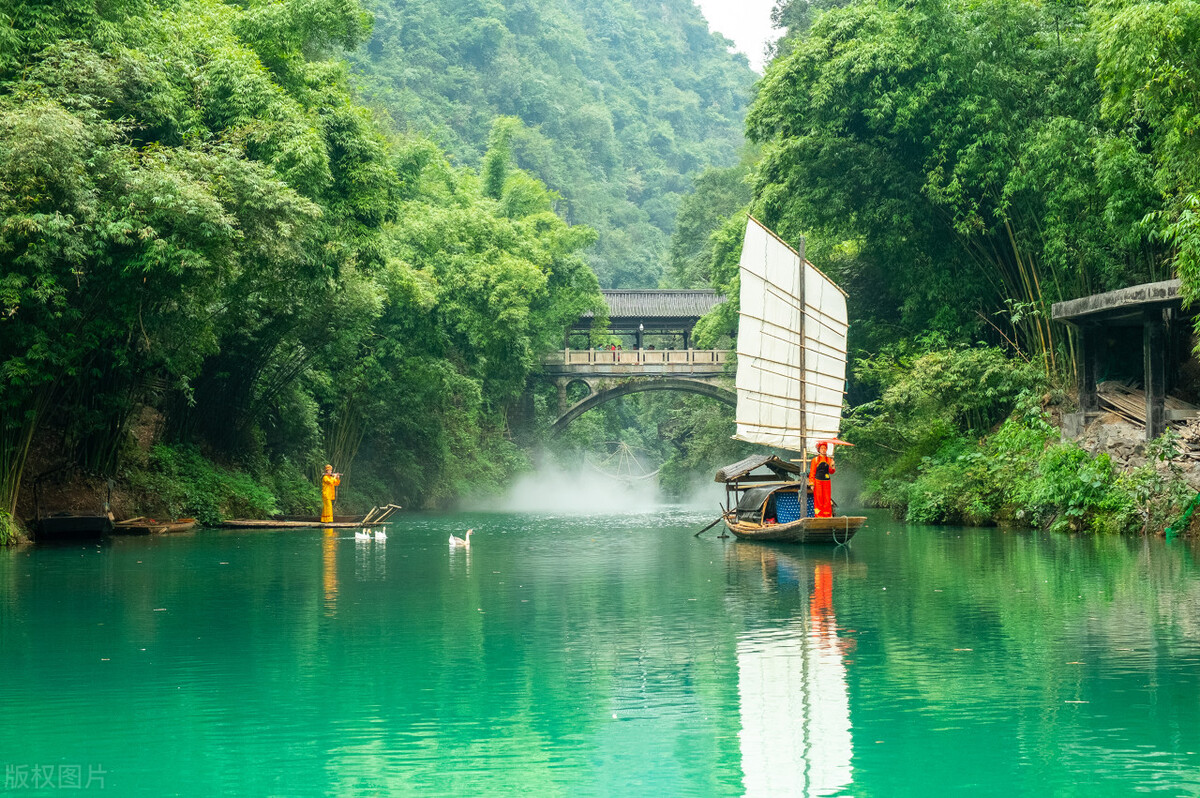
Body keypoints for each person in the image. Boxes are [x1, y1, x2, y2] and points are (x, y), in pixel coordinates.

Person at [809, 442, 835, 518]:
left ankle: (827, 515)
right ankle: (818, 515)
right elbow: (812, 472)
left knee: (827, 499)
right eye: (822, 448)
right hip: (818, 481)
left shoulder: (829, 460)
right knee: (818, 499)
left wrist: (832, 466)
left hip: (827, 481)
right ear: (819, 450)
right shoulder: (815, 460)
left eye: (825, 448)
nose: (823, 450)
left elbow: (831, 472)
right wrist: (812, 484)